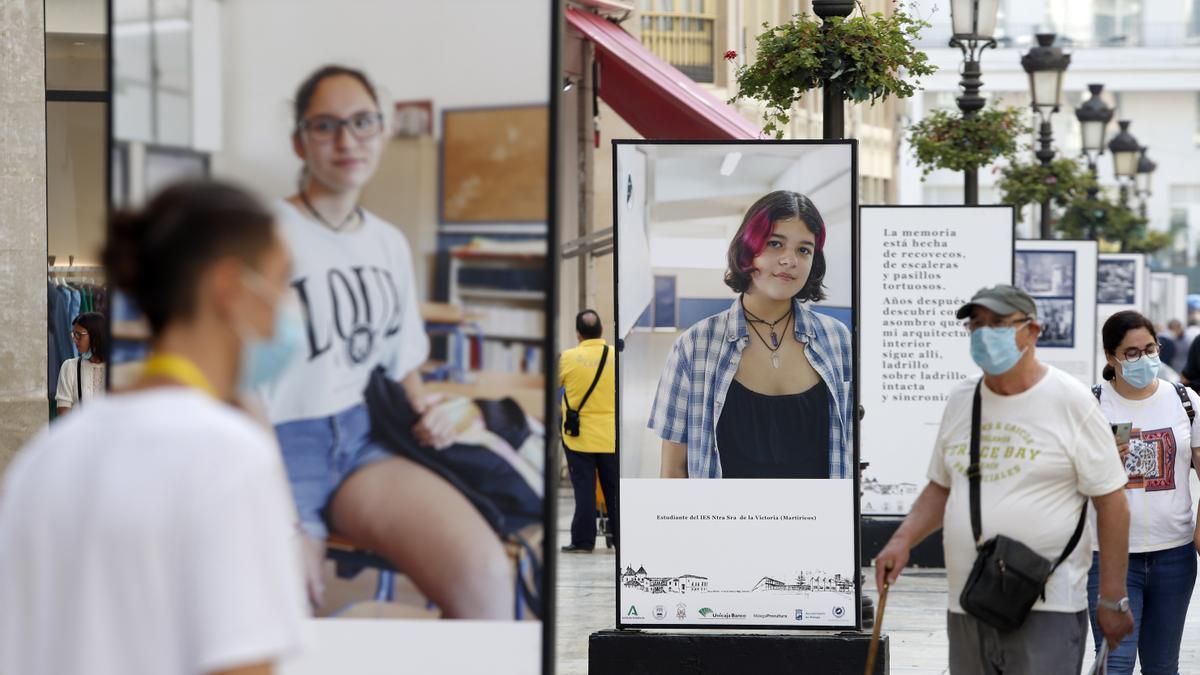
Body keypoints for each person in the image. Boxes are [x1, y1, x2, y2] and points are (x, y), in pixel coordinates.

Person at [0, 181, 307, 675]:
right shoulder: (228, 457)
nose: (288, 309)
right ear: (229, 288)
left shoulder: (46, 456)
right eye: (282, 282)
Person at [260, 64, 513, 618]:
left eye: (362, 122)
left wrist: (435, 410)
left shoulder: (388, 244)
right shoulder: (261, 236)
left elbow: (402, 363)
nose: (346, 140)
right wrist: (285, 519)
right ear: (299, 140)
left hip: (358, 438)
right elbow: (234, 385)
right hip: (273, 446)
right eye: (325, 125)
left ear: (382, 130)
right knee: (279, 612)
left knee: (487, 578)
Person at [874, 284, 1133, 674]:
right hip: (970, 600)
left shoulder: (1071, 401)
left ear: (1032, 331)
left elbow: (1112, 501)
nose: (984, 333)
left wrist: (1113, 597)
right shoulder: (963, 399)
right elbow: (942, 486)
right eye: (976, 324)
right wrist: (901, 539)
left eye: (997, 323)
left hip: (1048, 603)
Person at [648, 190, 852, 479]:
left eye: (803, 249)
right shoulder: (695, 346)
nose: (789, 260)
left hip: (815, 522)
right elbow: (673, 470)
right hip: (723, 522)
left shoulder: (837, 341)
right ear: (748, 248)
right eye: (774, 244)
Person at [1087, 311, 1200, 674]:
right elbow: (1066, 480)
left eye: (1150, 348)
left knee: (1162, 666)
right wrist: (1098, 460)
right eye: (1132, 352)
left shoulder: (1185, 401)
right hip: (1109, 558)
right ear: (1111, 357)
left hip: (1174, 556)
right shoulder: (1089, 405)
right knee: (1115, 663)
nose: (1144, 358)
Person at [559, 309, 617, 553]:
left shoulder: (567, 358)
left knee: (584, 491)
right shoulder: (616, 356)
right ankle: (619, 537)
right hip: (610, 435)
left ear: (578, 334)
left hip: (578, 437)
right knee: (613, 490)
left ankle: (583, 541)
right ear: (602, 330)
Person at [54, 311, 108, 415]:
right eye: (73, 334)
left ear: (95, 336)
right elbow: (64, 416)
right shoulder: (70, 367)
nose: (74, 339)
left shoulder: (116, 370)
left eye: (78, 335)